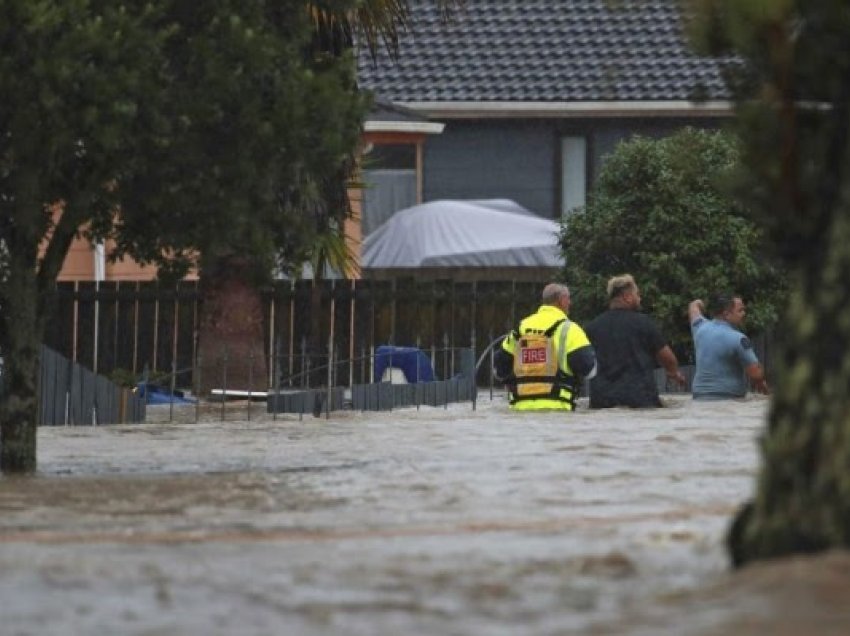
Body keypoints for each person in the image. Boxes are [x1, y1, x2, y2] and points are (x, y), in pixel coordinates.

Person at [585, 274, 686, 408]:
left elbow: (584, 361)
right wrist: (673, 372)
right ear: (627, 297)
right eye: (637, 294)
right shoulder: (644, 323)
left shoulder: (592, 327)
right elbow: (668, 358)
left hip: (602, 402)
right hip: (640, 400)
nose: (640, 298)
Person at [494, 283, 596, 411]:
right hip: (559, 409)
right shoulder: (570, 330)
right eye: (569, 299)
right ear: (562, 300)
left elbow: (499, 370)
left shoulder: (520, 328)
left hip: (519, 411)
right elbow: (589, 370)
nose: (570, 303)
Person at [688, 293, 769, 399]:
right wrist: (761, 380)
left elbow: (693, 308)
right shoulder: (739, 339)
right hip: (728, 398)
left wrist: (698, 303)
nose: (744, 313)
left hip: (699, 396)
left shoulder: (699, 328)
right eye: (740, 310)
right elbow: (756, 373)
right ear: (726, 314)